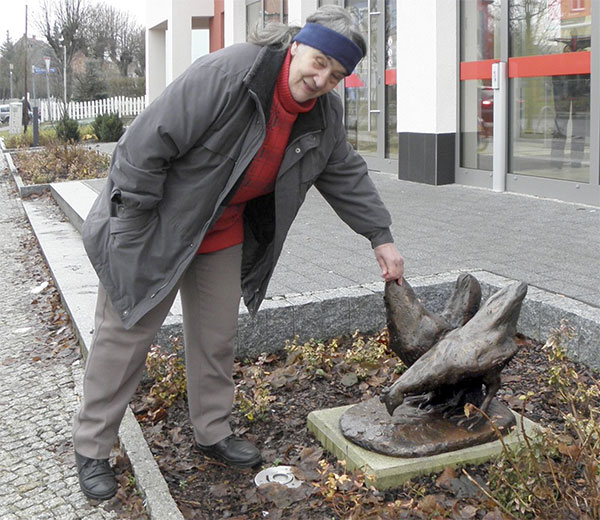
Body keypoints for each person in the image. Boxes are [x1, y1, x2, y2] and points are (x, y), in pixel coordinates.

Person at [72, 5, 404, 501]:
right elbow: (143, 146)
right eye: (317, 63)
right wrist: (133, 229)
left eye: (335, 76)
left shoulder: (324, 115)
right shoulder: (229, 74)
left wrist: (380, 235)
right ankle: (92, 446)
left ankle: (212, 430)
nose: (320, 79)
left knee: (216, 338)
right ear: (296, 45)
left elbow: (345, 173)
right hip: (158, 224)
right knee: (125, 336)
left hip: (222, 232)